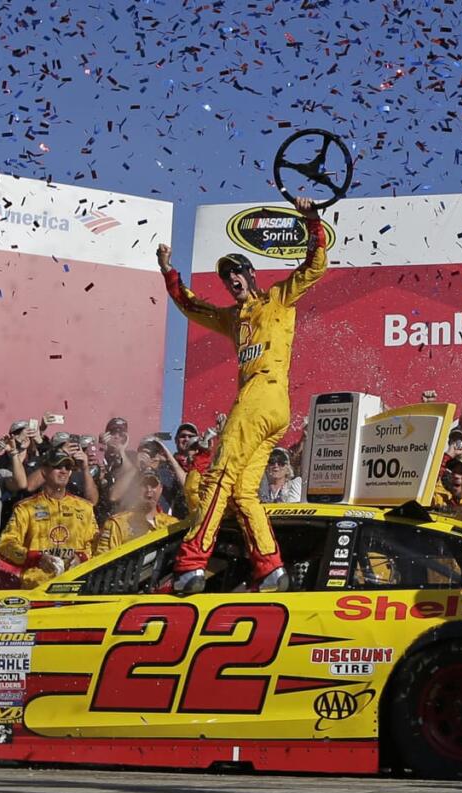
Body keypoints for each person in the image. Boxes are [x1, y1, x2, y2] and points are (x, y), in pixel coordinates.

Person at [157, 195, 328, 594]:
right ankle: (270, 569)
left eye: (236, 271)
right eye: (225, 276)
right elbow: (192, 306)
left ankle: (190, 565)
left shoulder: (278, 299)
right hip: (268, 409)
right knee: (242, 492)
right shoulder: (232, 318)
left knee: (218, 474)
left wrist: (312, 221)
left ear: (251, 274)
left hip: (263, 397)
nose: (230, 279)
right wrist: (168, 273)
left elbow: (315, 266)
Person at [0, 449, 99, 589]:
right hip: (35, 587)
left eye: (68, 467)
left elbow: (95, 546)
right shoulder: (26, 507)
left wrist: (81, 558)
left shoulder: (85, 508)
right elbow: (5, 545)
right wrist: (36, 558)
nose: (63, 471)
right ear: (44, 471)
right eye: (57, 466)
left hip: (74, 586)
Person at [95, 471, 177, 554]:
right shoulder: (117, 524)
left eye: (153, 485)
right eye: (144, 485)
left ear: (161, 489)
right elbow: (102, 561)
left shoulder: (172, 524)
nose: (149, 490)